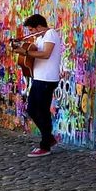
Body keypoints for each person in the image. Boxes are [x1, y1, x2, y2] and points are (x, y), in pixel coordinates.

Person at [12, 13, 61, 157]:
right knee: (35, 110)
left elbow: (46, 54)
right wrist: (21, 49)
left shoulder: (51, 34)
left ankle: (46, 144)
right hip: (39, 78)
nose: (31, 33)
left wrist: (25, 52)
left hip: (47, 79)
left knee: (39, 111)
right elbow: (34, 52)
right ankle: (48, 139)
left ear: (39, 26)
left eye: (32, 30)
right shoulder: (39, 38)